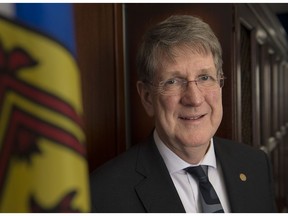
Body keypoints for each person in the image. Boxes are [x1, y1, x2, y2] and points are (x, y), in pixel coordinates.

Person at [90, 15, 277, 213]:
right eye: (173, 81)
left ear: (220, 83)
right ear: (147, 97)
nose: (194, 99)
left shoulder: (256, 165)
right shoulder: (102, 195)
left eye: (205, 77)